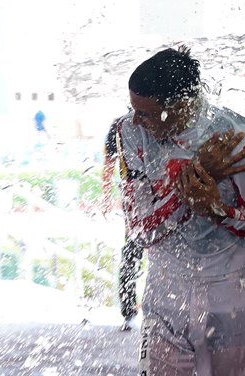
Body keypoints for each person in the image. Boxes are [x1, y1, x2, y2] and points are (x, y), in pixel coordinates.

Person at [118, 46, 245, 375]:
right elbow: (139, 229)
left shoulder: (236, 140)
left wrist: (220, 211)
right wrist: (194, 180)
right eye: (133, 110)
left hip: (225, 297)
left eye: (146, 113)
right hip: (161, 294)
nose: (136, 120)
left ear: (181, 105)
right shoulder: (131, 134)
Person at [102, 116, 144, 331]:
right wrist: (106, 195)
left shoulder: (119, 125)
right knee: (135, 250)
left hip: (134, 194)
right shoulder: (122, 126)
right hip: (141, 194)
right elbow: (109, 162)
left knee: (132, 250)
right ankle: (129, 310)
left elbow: (108, 163)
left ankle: (129, 310)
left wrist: (106, 195)